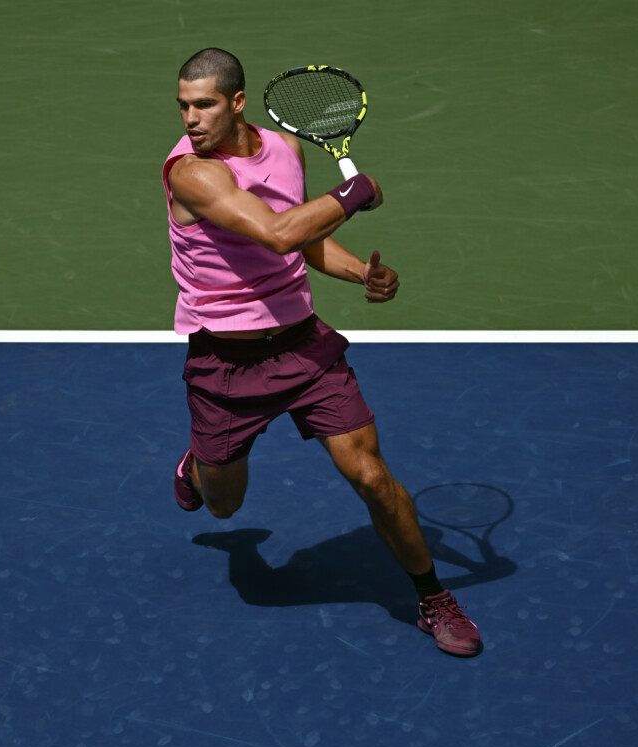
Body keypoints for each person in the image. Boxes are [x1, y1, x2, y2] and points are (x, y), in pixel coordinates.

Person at [163, 48, 481, 657]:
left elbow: (302, 242)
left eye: (203, 104)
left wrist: (363, 273)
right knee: (224, 508)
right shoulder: (191, 173)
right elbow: (278, 231)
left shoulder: (285, 150)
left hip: (305, 348)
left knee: (371, 476)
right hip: (226, 364)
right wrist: (358, 190)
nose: (190, 119)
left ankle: (433, 597)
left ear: (236, 102)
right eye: (182, 105)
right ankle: (197, 464)